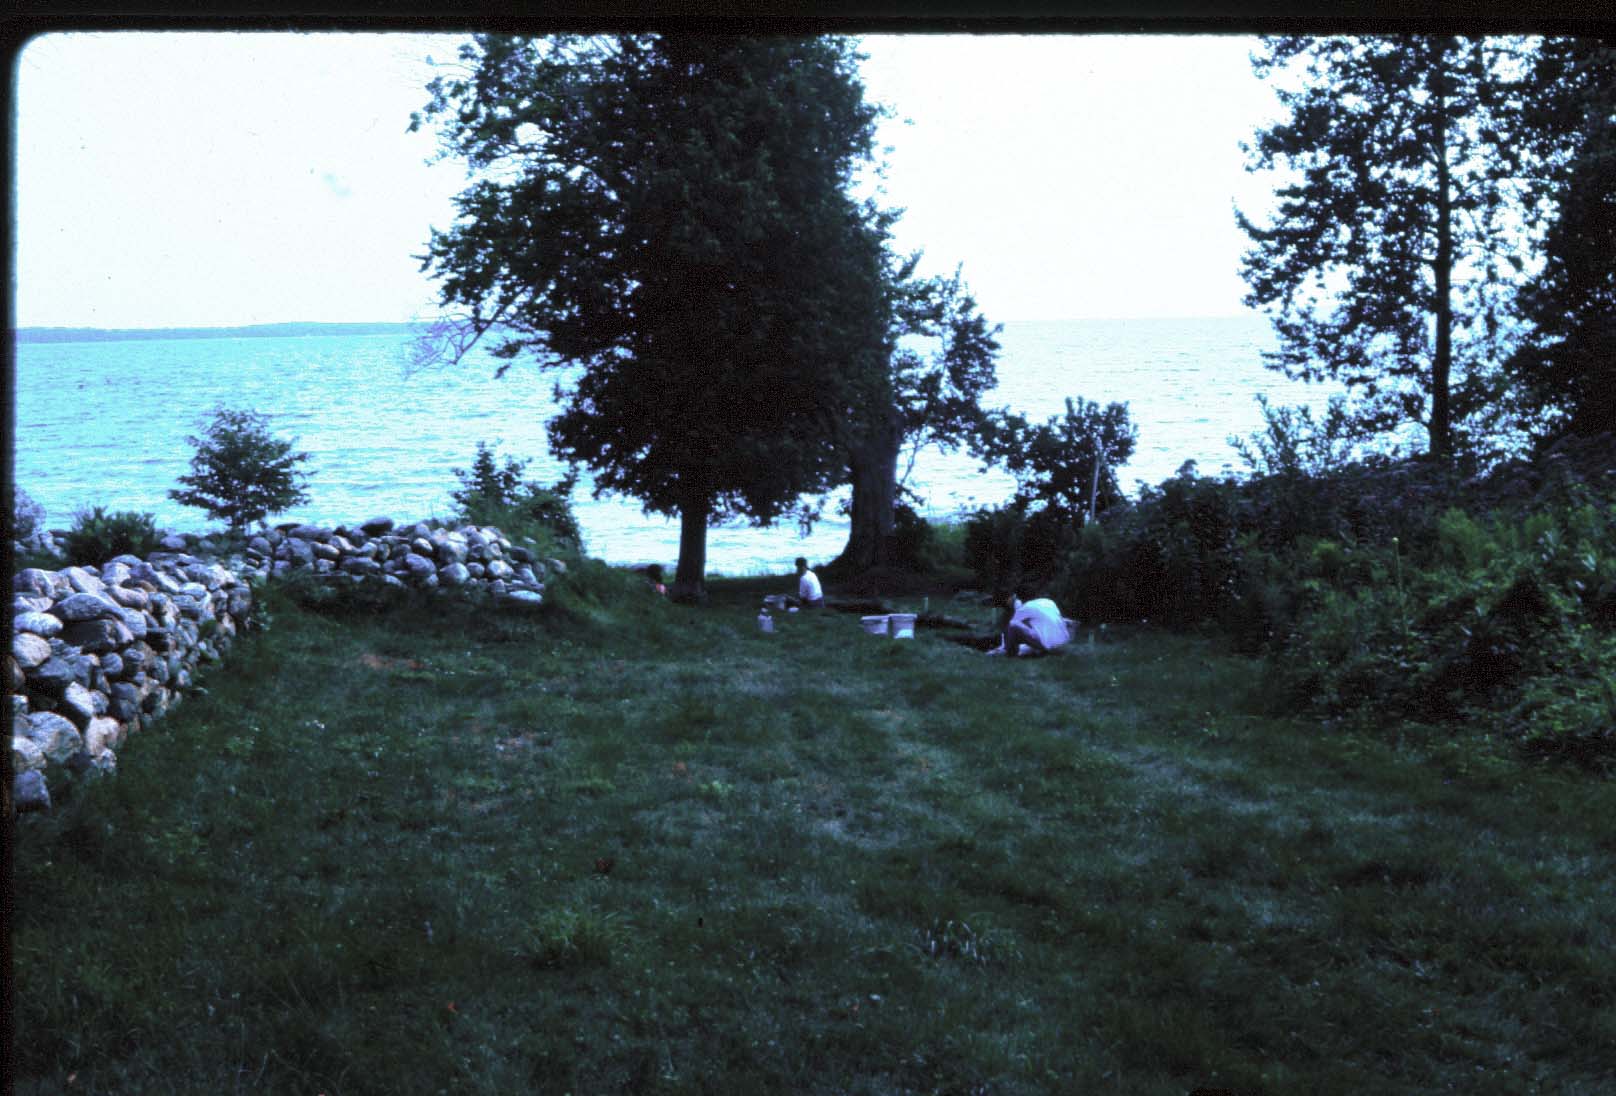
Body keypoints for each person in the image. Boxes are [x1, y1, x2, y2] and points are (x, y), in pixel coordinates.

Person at [989, 587, 1071, 657]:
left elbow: (1009, 629)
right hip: (1064, 642)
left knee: (1012, 626)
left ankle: (1010, 653)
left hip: (1050, 645)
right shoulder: (1048, 601)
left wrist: (1002, 648)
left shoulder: (1024, 608)